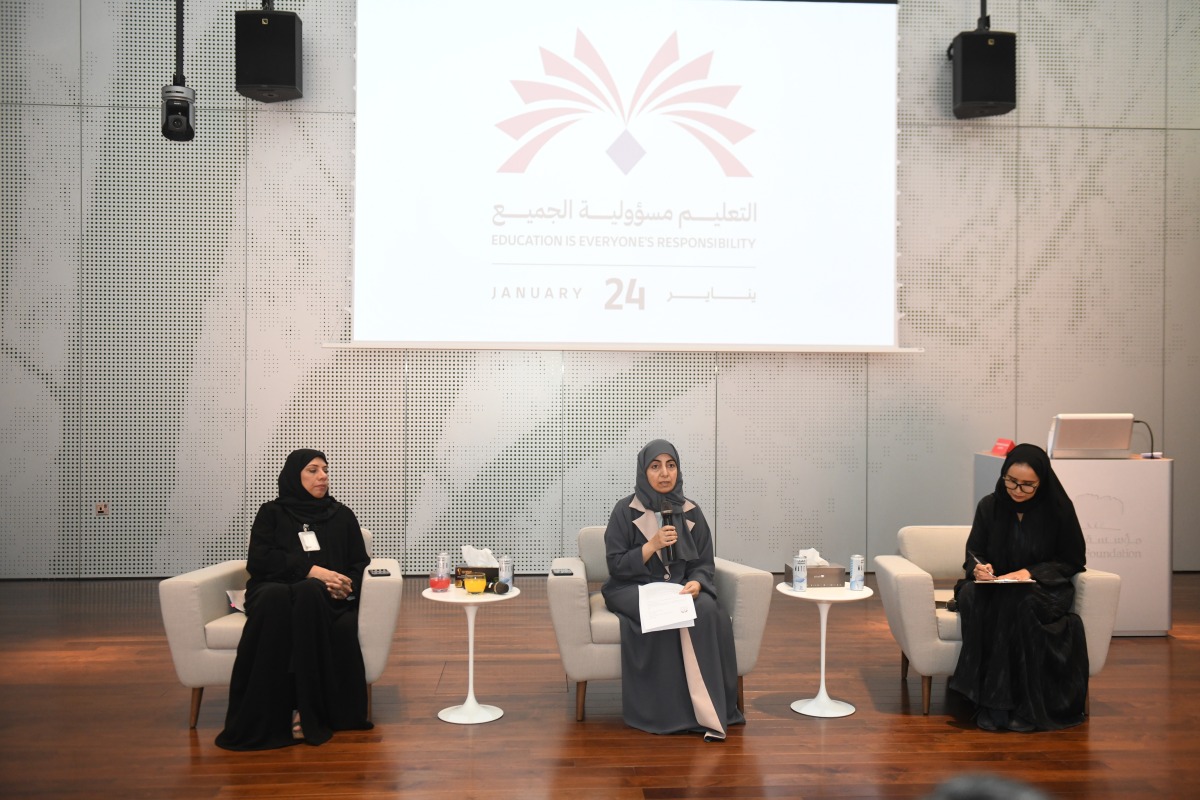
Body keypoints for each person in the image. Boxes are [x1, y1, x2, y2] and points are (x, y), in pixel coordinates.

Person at [215, 449, 374, 750]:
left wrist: (347, 586)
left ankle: (306, 707)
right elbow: (260, 561)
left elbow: (358, 562)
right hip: (273, 588)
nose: (323, 476)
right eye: (313, 470)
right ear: (294, 475)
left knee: (309, 592)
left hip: (322, 597)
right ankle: (269, 714)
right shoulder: (272, 513)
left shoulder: (342, 516)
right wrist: (313, 570)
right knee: (277, 597)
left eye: (325, 469)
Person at [600, 439, 743, 741]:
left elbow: (704, 562)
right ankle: (664, 714)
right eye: (655, 466)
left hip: (678, 588)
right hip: (631, 586)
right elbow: (616, 565)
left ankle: (709, 712)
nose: (664, 473)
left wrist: (698, 582)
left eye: (671, 465)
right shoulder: (624, 511)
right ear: (643, 471)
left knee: (707, 609)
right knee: (658, 613)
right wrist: (651, 546)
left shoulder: (692, 512)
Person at [949, 443, 1089, 732]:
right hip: (998, 584)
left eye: (1028, 485)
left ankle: (1006, 705)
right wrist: (980, 568)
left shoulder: (1059, 510)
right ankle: (985, 699)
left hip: (1043, 588)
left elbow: (1072, 561)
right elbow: (974, 551)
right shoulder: (990, 506)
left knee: (1017, 602)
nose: (1017, 490)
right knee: (972, 595)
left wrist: (1030, 571)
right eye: (1011, 481)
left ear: (1042, 482)